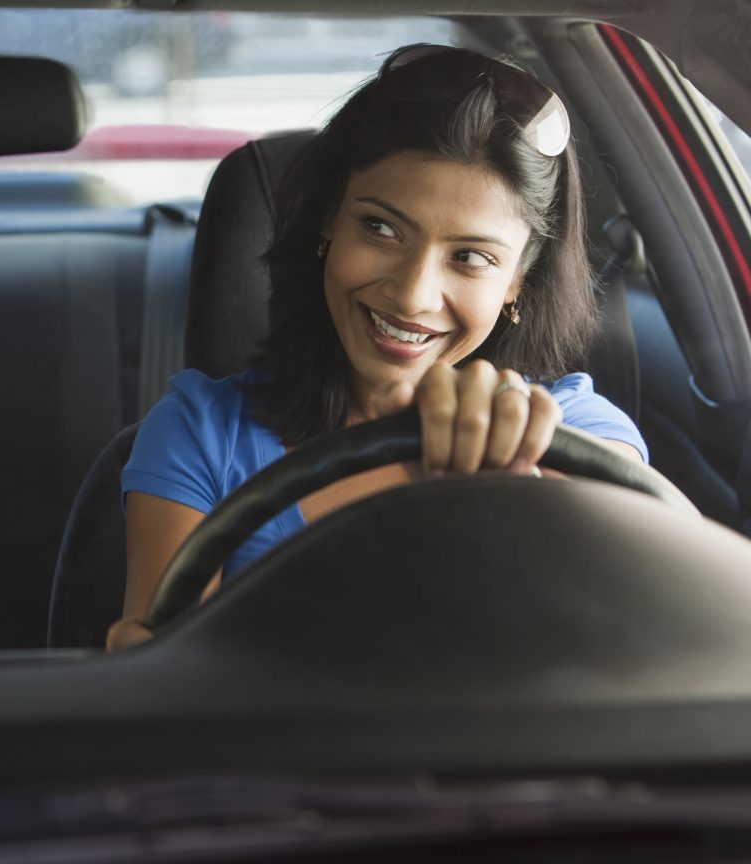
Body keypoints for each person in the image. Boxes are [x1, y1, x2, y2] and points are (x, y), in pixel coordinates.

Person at [116, 44, 652, 643]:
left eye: (470, 257)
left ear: (517, 281)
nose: (413, 296)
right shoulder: (203, 435)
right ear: (329, 220)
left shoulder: (572, 430)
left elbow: (697, 605)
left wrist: (530, 486)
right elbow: (164, 687)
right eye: (380, 228)